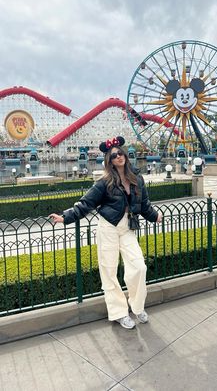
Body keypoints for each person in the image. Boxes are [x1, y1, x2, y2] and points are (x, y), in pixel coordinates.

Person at [49, 136, 162, 330]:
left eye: (120, 153)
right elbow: (86, 203)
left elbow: (143, 205)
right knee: (109, 271)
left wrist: (154, 216)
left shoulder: (137, 177)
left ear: (125, 155)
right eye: (114, 155)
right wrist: (65, 217)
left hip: (127, 227)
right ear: (109, 161)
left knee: (139, 267)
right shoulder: (105, 181)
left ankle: (137, 306)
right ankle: (118, 313)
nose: (119, 157)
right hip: (108, 227)